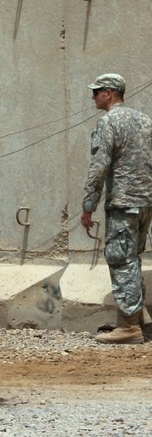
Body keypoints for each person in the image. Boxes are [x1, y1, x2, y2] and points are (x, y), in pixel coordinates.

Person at [80, 73, 152, 345]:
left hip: (123, 203)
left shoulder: (108, 122)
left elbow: (99, 167)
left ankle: (129, 326)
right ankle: (140, 317)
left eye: (97, 91)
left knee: (120, 260)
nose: (93, 96)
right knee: (132, 258)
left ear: (109, 93)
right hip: (146, 203)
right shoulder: (145, 121)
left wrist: (89, 204)